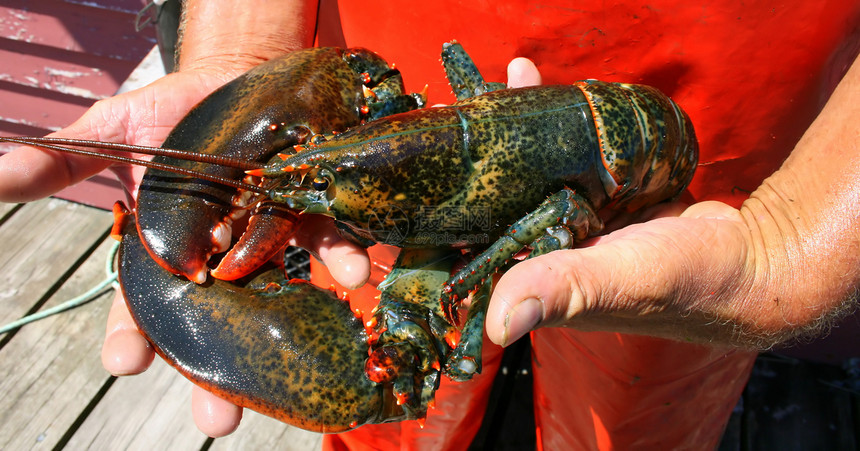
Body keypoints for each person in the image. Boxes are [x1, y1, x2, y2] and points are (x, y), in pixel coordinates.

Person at [1, 0, 858, 448]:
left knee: (639, 403)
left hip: (721, 155)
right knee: (399, 423)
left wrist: (789, 247)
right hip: (430, 30)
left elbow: (569, 215)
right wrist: (240, 50)